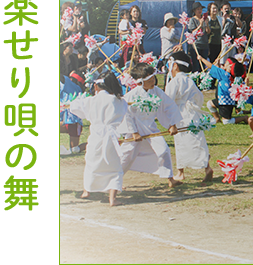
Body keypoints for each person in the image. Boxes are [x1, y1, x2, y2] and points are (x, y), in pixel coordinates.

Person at [117, 63, 183, 188]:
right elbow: (127, 115)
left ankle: (170, 179)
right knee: (127, 156)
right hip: (135, 128)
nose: (153, 81)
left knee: (164, 150)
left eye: (153, 78)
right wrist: (134, 132)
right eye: (149, 80)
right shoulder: (131, 95)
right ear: (140, 82)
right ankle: (115, 181)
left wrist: (171, 125)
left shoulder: (156, 91)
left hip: (151, 128)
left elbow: (168, 106)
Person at [69, 71, 128, 206]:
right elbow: (122, 115)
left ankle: (86, 191)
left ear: (96, 87)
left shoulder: (91, 101)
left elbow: (75, 107)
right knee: (114, 167)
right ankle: (112, 198)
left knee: (91, 163)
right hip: (111, 136)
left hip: (96, 135)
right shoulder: (120, 101)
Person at [164, 51, 214, 182]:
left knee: (181, 142)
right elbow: (199, 97)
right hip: (192, 114)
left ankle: (180, 172)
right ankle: (207, 167)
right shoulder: (189, 80)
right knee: (197, 140)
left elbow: (168, 101)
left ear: (175, 66)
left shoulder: (174, 82)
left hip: (179, 114)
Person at [198, 56, 249, 125]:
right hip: (222, 99)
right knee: (209, 104)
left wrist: (201, 59)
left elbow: (211, 67)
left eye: (226, 63)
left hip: (226, 103)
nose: (224, 64)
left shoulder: (224, 74)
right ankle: (217, 119)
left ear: (230, 67)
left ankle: (244, 118)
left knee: (226, 122)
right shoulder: (234, 77)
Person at [60, 72, 86, 155]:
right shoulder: (69, 88)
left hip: (74, 122)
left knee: (74, 150)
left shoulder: (74, 87)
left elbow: (62, 78)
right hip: (66, 120)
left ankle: (93, 144)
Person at [187, 1, 209, 72]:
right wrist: (200, 25)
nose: (200, 11)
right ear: (194, 11)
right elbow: (192, 32)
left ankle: (203, 80)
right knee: (196, 65)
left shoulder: (204, 19)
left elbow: (208, 32)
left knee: (203, 65)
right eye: (198, 9)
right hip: (196, 45)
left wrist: (207, 24)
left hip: (204, 44)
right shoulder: (192, 20)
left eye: (200, 9)